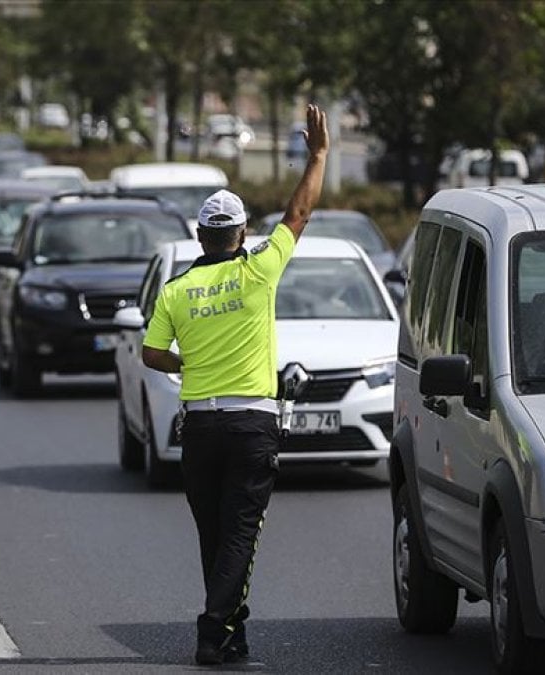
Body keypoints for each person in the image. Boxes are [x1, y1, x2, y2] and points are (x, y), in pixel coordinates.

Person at [140, 103, 329, 666]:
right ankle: (211, 628)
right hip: (252, 425)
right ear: (242, 232)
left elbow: (151, 354)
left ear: (200, 236)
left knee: (215, 535)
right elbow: (298, 212)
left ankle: (231, 633)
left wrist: (187, 364)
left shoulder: (176, 290)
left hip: (198, 424)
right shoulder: (259, 270)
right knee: (240, 535)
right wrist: (318, 154)